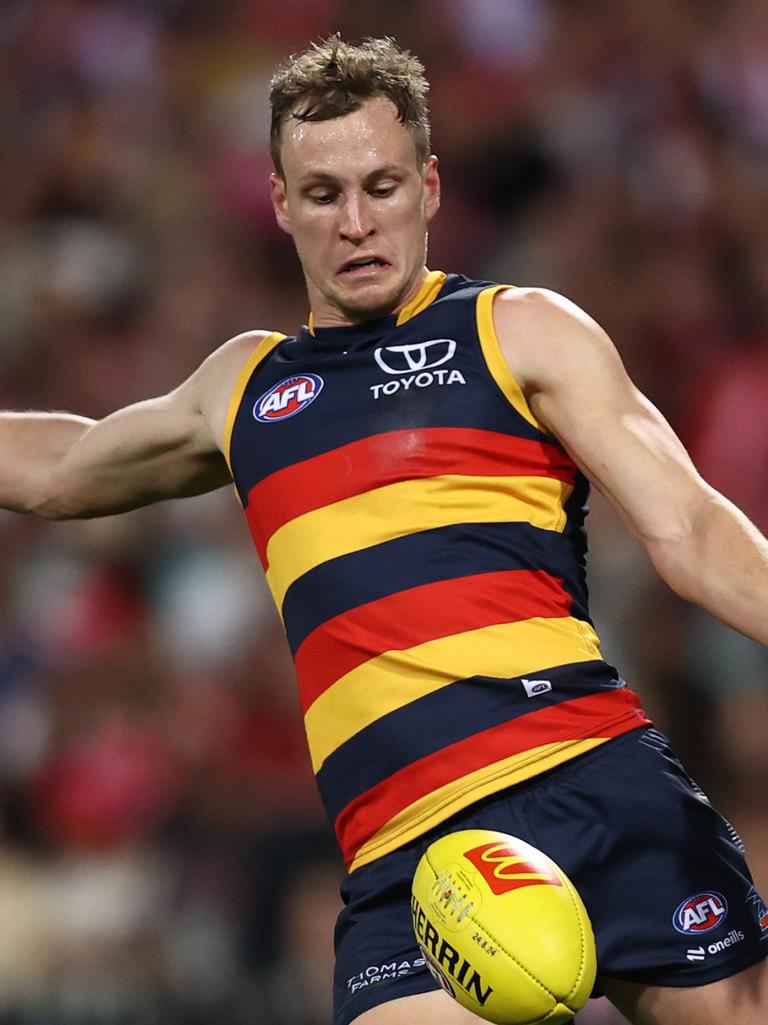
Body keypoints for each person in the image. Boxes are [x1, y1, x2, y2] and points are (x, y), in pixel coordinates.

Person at [2, 34, 767, 1025]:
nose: (357, 222)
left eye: (383, 185)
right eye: (323, 194)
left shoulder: (519, 329)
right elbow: (64, 468)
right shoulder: (246, 385)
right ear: (280, 203)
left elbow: (692, 530)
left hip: (592, 778)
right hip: (409, 854)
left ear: (432, 186)